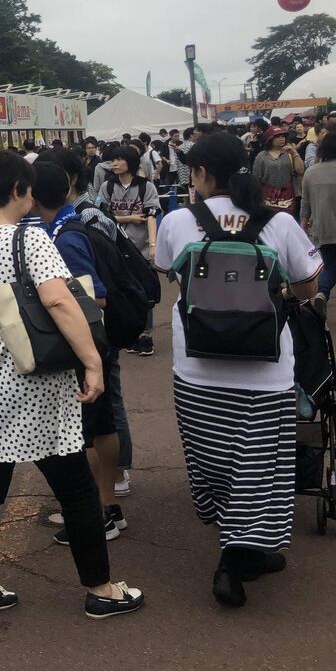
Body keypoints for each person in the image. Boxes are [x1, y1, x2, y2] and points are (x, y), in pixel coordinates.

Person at [0, 150, 143, 621]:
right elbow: (58, 300)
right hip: (38, 390)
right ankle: (101, 589)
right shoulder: (29, 239)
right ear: (18, 189)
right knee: (76, 489)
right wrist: (92, 361)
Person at [155, 132, 320, 607]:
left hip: (197, 370)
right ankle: (241, 554)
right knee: (259, 466)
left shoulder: (177, 221)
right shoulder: (279, 222)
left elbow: (170, 273)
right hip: (266, 373)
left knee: (211, 459)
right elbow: (308, 288)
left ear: (203, 173)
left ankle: (234, 545)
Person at [30, 162, 127, 542]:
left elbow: (96, 296)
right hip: (96, 343)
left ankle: (96, 514)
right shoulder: (69, 225)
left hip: (85, 345)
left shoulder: (65, 237)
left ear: (34, 196)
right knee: (101, 426)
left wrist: (57, 303)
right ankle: (109, 508)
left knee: (82, 434)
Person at [104, 145, 160, 354]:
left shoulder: (146, 187)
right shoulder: (108, 186)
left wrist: (153, 245)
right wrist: (129, 218)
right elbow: (103, 215)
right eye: (113, 160)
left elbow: (151, 215)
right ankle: (130, 333)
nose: (115, 164)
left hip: (141, 248)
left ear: (131, 162)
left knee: (145, 291)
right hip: (116, 248)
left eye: (119, 159)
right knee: (123, 291)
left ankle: (146, 335)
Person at [301, 132, 336, 302]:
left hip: (323, 229)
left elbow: (305, 203)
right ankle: (322, 291)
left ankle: (321, 293)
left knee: (330, 264)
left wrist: (303, 224)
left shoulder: (311, 173)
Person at [252, 125, 304, 215]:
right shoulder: (262, 156)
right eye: (277, 137)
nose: (281, 139)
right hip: (267, 196)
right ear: (270, 139)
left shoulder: (289, 153)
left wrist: (294, 153)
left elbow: (300, 171)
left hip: (288, 196)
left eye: (283, 136)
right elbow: (256, 178)